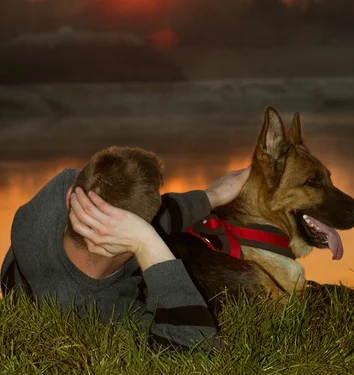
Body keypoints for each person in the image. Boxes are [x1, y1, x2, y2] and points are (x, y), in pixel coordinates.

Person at [1, 146, 250, 349]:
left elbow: (159, 214)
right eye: (140, 230)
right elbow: (196, 347)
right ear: (126, 236)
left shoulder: (61, 191)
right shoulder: (96, 313)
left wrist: (214, 195)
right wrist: (146, 242)